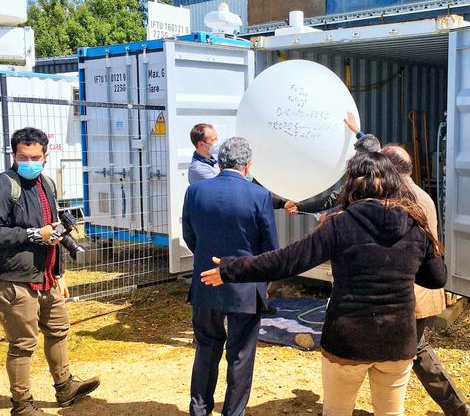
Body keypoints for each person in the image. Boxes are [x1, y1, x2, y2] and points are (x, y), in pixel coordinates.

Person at [201, 152, 447, 416]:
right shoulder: (414, 224)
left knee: (336, 411)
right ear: (394, 183)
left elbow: (287, 261)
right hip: (398, 341)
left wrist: (231, 269)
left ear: (352, 183)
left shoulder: (340, 224)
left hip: (347, 341)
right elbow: (436, 278)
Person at [0, 127, 99, 416]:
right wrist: (31, 235)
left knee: (58, 330)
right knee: (23, 344)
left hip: (47, 276)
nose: (28, 162)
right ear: (14, 154)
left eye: (34, 157)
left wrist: (60, 273)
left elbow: (52, 229)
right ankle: (22, 404)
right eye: (22, 156)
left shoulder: (47, 183)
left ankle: (65, 386)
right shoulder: (3, 186)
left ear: (45, 155)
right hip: (12, 279)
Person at [182, 137, 279, 416]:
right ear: (248, 166)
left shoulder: (196, 192)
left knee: (206, 348)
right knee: (240, 356)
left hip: (206, 282)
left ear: (220, 162)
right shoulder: (259, 196)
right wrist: (263, 282)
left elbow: (191, 237)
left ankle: (199, 409)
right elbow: (269, 248)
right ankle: (233, 413)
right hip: (246, 285)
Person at [381, 145, 470, 416]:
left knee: (412, 350)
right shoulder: (421, 194)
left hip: (409, 291)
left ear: (389, 170)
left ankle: (457, 407)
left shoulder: (400, 199)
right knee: (412, 349)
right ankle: (457, 407)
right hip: (423, 288)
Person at [284, 112, 381, 215]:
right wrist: (357, 131)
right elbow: (375, 149)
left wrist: (326, 215)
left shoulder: (360, 186)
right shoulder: (390, 171)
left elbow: (332, 200)